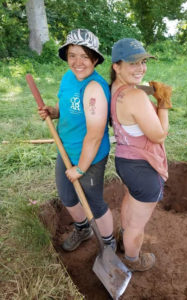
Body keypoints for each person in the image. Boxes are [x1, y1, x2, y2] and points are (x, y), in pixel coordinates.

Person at [38, 29, 116, 252]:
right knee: (67, 195)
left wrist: (81, 168)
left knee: (93, 201)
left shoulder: (94, 89)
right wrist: (52, 112)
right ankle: (83, 229)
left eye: (84, 55)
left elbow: (94, 134)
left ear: (94, 58)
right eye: (73, 55)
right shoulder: (68, 78)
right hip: (67, 149)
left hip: (89, 157)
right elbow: (65, 107)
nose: (78, 61)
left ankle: (108, 243)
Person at [110, 38, 172, 271]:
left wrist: (148, 89)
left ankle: (123, 239)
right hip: (143, 168)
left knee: (130, 200)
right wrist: (164, 103)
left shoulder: (115, 89)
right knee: (138, 225)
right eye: (133, 63)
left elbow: (135, 89)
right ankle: (133, 260)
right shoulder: (135, 98)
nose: (141, 68)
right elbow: (159, 135)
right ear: (116, 66)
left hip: (126, 161)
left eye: (144, 61)